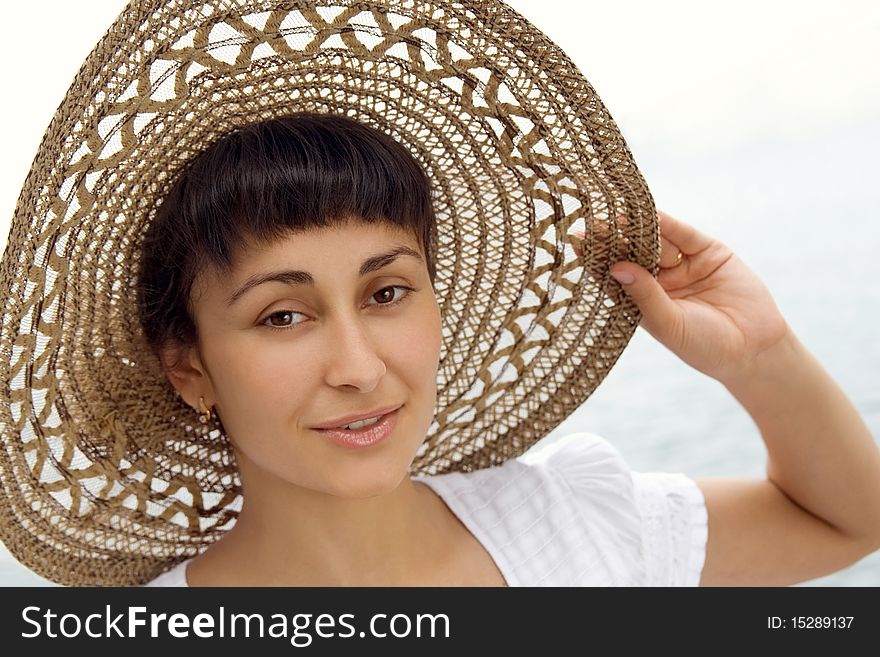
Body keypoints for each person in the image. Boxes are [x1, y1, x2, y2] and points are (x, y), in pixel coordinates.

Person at [1, 0, 878, 587]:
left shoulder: (575, 528)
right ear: (189, 367)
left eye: (386, 293)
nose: (357, 366)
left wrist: (762, 358)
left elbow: (848, 522)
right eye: (283, 314)